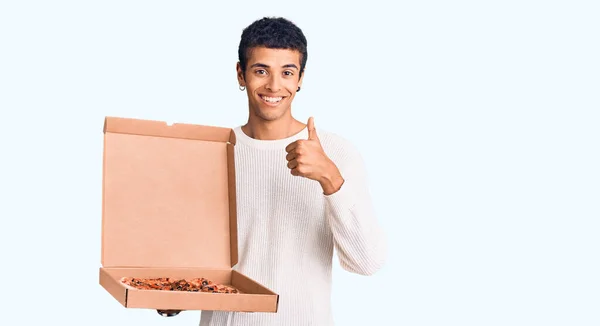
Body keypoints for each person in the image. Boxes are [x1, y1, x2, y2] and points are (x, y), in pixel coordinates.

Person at [199, 17, 387, 326]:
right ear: (240, 74)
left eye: (287, 72)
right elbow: (193, 255)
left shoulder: (335, 153)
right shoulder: (212, 153)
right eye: (261, 71)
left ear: (300, 79)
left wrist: (330, 178)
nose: (274, 86)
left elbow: (367, 262)